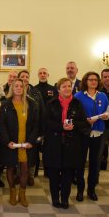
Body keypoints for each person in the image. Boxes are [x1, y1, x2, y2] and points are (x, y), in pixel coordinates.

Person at [43, 78, 89, 209]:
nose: (67, 89)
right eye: (64, 86)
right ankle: (55, 199)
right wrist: (61, 127)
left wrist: (73, 125)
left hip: (72, 144)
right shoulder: (50, 103)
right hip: (54, 144)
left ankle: (64, 199)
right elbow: (46, 123)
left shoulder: (77, 104)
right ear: (58, 89)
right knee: (54, 175)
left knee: (68, 175)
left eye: (69, 86)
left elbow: (84, 123)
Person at [0, 78, 39, 207]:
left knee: (25, 170)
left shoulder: (31, 104)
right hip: (11, 143)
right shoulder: (5, 104)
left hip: (26, 143)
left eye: (21, 86)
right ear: (12, 88)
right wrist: (6, 141)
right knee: (10, 168)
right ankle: (12, 192)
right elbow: (1, 125)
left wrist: (31, 141)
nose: (18, 88)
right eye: (16, 86)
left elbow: (36, 126)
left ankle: (22, 194)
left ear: (24, 88)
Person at [74, 71, 109, 202]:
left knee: (95, 163)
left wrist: (106, 115)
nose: (93, 82)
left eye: (95, 80)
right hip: (83, 134)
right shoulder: (78, 96)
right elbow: (75, 115)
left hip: (98, 133)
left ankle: (91, 190)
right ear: (85, 81)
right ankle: (80, 191)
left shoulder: (103, 96)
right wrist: (85, 121)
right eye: (90, 80)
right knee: (80, 163)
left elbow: (107, 112)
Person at [18, 70, 44, 183]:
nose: (25, 78)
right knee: (19, 151)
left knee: (32, 153)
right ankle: (19, 175)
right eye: (22, 76)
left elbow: (42, 111)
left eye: (26, 76)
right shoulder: (16, 92)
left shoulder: (36, 93)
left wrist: (41, 131)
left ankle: (31, 175)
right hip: (19, 127)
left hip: (34, 127)